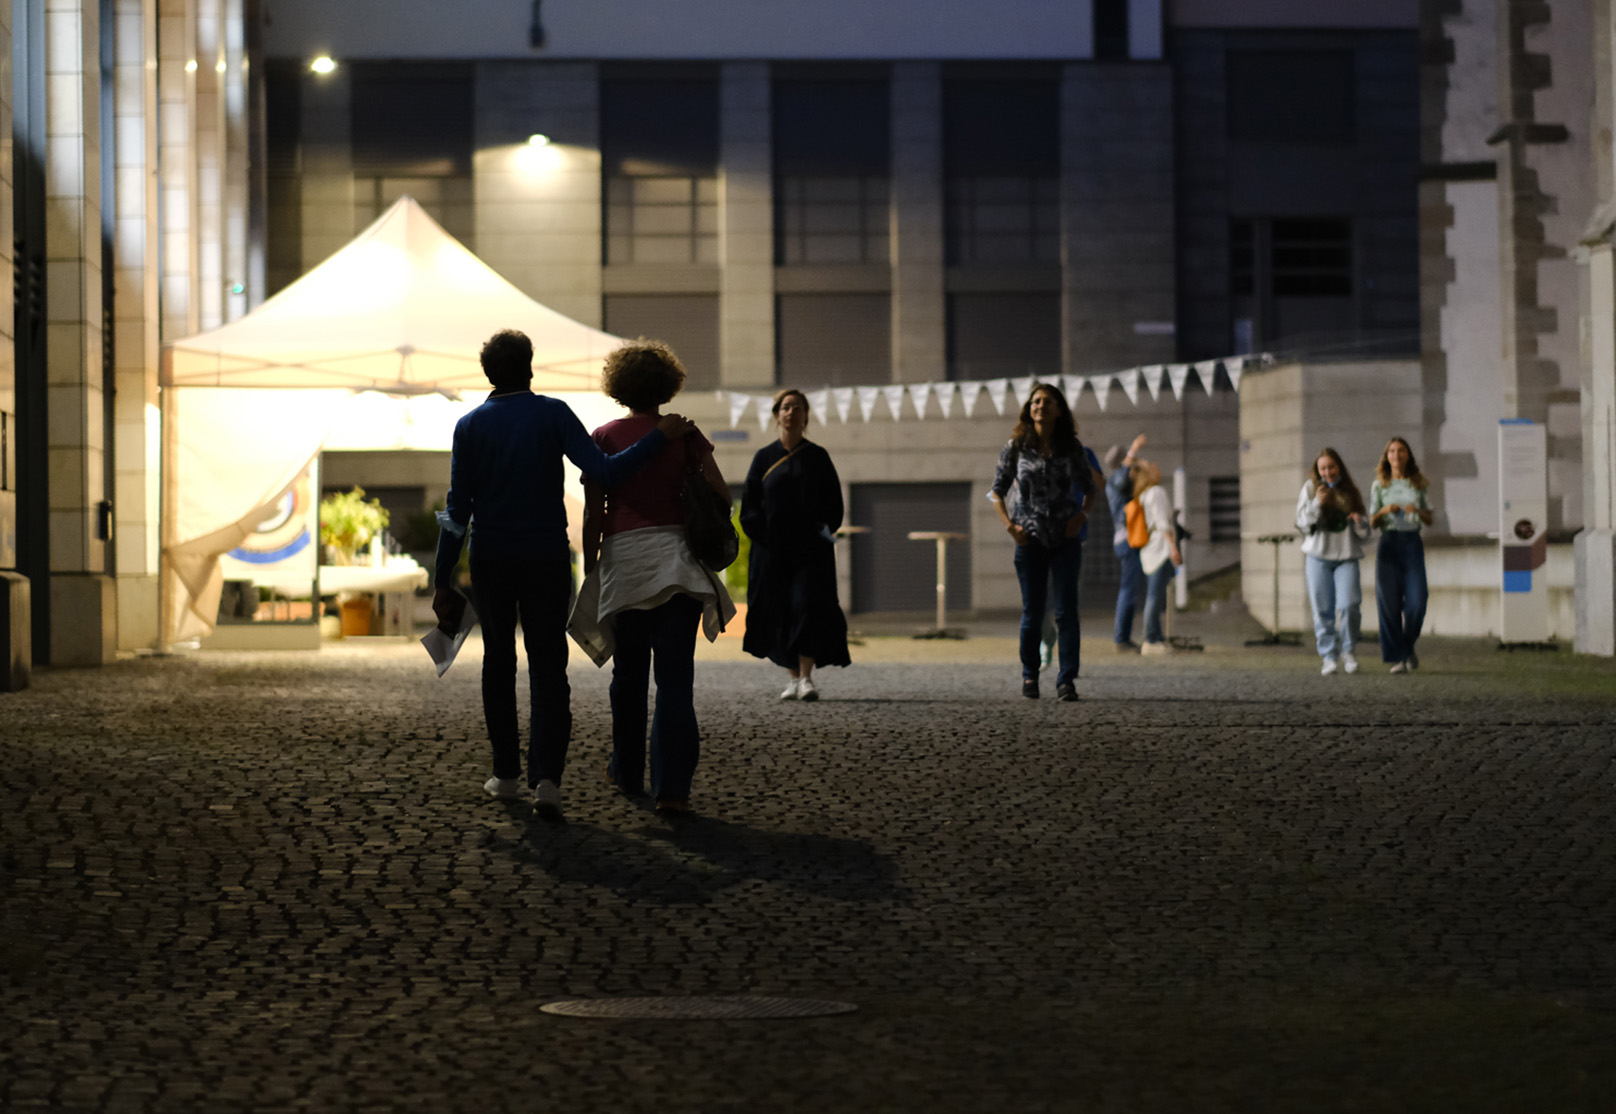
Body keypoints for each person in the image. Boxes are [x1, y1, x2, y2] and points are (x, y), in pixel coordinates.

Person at [432, 329, 692, 819]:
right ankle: (547, 780)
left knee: (498, 663)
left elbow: (456, 511)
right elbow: (608, 471)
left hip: (491, 557)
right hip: (546, 557)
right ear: (530, 367)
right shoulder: (553, 414)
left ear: (489, 374)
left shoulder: (468, 427)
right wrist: (659, 436)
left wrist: (442, 578)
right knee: (548, 666)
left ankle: (505, 774)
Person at [573, 340, 734, 815]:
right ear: (668, 384)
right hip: (679, 566)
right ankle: (673, 790)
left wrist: (591, 565)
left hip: (626, 566)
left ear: (617, 386)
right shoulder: (684, 434)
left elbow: (593, 512)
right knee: (675, 682)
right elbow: (721, 494)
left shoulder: (602, 437)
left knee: (628, 679)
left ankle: (625, 769)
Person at [739, 389, 851, 701]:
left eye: (797, 407)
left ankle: (806, 677)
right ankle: (792, 677)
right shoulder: (763, 458)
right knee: (780, 611)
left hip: (810, 553)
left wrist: (820, 532)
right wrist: (764, 538)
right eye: (785, 407)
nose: (791, 412)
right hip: (771, 552)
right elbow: (750, 506)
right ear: (777, 416)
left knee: (806, 606)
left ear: (805, 416)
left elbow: (833, 505)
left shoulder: (817, 457)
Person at [989, 383, 1097, 701]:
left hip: (1066, 538)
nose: (1040, 406)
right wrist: (1010, 526)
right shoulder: (1015, 448)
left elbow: (1091, 489)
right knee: (1032, 612)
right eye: (1035, 401)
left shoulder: (1072, 448)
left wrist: (1081, 517)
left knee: (1066, 612)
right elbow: (996, 491)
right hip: (1029, 540)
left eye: (1047, 401)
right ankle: (1029, 677)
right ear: (1029, 409)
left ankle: (1066, 680)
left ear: (1059, 409)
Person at [1295, 447, 1371, 676]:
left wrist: (1359, 523)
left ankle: (1348, 651)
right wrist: (1317, 503)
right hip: (1317, 556)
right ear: (1317, 471)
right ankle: (1328, 655)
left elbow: (1365, 533)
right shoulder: (1310, 489)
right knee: (1322, 609)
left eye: (1331, 467)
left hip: (1347, 556)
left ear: (1339, 467)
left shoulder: (1350, 490)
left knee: (1349, 604)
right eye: (1323, 468)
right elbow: (1301, 523)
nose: (1328, 472)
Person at [1369, 436, 1433, 674]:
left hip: (1412, 543)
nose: (1396, 455)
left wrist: (1416, 510)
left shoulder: (1418, 483)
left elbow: (1430, 517)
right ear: (1387, 457)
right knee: (1389, 603)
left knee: (1418, 600)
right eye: (1392, 451)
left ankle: (1406, 646)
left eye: (1401, 450)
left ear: (1408, 455)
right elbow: (1373, 521)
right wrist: (1385, 510)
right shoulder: (1379, 485)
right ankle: (1399, 657)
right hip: (1389, 543)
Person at [1104, 433, 1149, 653]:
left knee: (1130, 588)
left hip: (1126, 538)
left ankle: (1124, 637)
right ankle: (1122, 638)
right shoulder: (1116, 481)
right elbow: (1124, 477)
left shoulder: (1114, 482)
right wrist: (1133, 449)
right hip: (1128, 539)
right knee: (1129, 589)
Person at [1132, 458, 1182, 655]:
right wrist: (1173, 548)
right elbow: (1163, 524)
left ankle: (1156, 637)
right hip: (1159, 549)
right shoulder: (1156, 493)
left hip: (1149, 549)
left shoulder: (1144, 495)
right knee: (1155, 596)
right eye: (1153, 467)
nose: (1157, 468)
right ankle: (1151, 639)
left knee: (1155, 594)